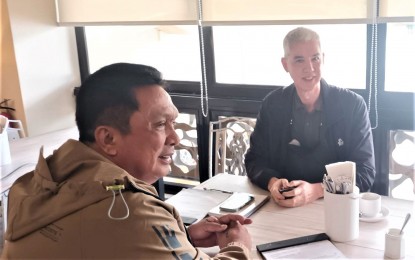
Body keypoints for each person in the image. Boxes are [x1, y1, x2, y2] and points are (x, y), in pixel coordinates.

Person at [2, 63, 252, 259]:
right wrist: (238, 245)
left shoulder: (35, 184)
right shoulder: (130, 210)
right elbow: (127, 228)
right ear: (108, 138)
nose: (175, 137)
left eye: (173, 123)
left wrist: (181, 237)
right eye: (160, 124)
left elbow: (100, 242)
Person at [245, 27, 375, 208]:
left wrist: (318, 190)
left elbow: (365, 171)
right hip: (282, 207)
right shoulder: (272, 105)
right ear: (285, 65)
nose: (310, 68)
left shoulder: (352, 106)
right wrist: (272, 182)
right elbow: (254, 160)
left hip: (337, 208)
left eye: (315, 58)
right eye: (299, 60)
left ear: (323, 59)